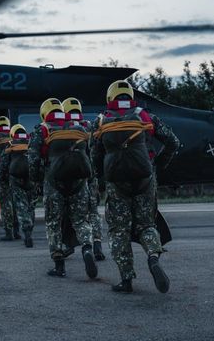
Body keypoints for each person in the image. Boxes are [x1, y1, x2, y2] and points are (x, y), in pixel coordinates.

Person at [91, 80, 180, 293]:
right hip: (145, 178)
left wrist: (102, 178)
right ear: (130, 96)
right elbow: (173, 142)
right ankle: (152, 257)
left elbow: (94, 154)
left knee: (118, 231)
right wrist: (157, 164)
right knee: (146, 225)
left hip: (117, 183)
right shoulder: (145, 116)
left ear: (110, 98)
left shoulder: (101, 120)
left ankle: (126, 279)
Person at [28, 98, 97, 279]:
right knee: (81, 221)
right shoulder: (79, 128)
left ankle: (59, 266)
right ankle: (87, 249)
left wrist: (36, 181)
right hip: (79, 183)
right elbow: (90, 154)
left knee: (53, 223)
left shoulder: (41, 130)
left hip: (53, 183)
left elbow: (33, 160)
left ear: (44, 113)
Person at [62, 97, 105, 261]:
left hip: (74, 178)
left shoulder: (63, 128)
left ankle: (69, 245)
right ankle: (97, 244)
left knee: (72, 214)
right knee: (93, 211)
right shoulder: (90, 125)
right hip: (91, 175)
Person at [0, 124, 35, 247]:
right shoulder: (31, 142)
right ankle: (30, 230)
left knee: (20, 207)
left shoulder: (10, 145)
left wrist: (3, 178)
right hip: (31, 179)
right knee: (30, 206)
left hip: (16, 179)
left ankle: (26, 233)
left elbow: (4, 165)